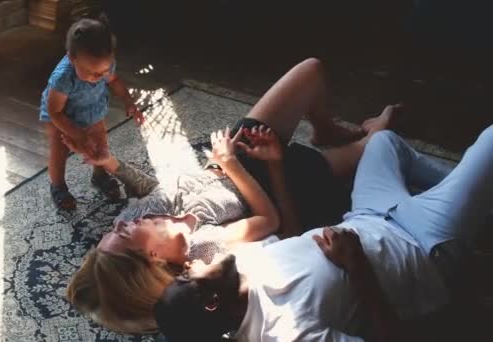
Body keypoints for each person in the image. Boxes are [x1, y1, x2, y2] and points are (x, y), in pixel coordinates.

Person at [65, 58, 396, 333]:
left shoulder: (134, 219)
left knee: (312, 70)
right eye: (122, 233)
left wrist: (110, 163)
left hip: (234, 156)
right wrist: (240, 166)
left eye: (115, 228)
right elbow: (279, 227)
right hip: (279, 179)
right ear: (152, 255)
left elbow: (151, 189)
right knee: (380, 142)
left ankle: (324, 128)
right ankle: (367, 137)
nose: (121, 223)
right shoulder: (207, 255)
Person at [154, 125, 493, 342]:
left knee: (383, 143)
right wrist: (357, 266)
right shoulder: (288, 334)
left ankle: (472, 200)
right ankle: (467, 203)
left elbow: (292, 237)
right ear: (212, 303)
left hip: (367, 214)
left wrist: (275, 165)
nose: (189, 266)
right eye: (186, 278)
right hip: (420, 245)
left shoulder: (239, 265)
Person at [39, 15, 145, 210]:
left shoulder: (104, 64)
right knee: (59, 149)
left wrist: (129, 101)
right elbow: (54, 111)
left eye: (104, 71)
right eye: (94, 73)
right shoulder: (63, 77)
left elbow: (113, 81)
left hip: (92, 108)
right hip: (62, 116)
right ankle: (58, 186)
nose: (99, 76)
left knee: (100, 143)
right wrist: (77, 134)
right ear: (72, 58)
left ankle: (100, 175)